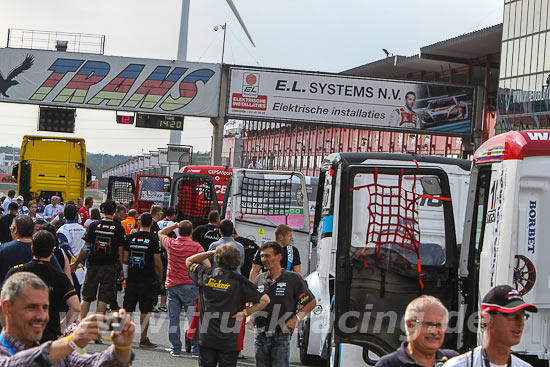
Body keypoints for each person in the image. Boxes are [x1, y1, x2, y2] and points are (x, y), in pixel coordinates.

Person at [0, 271, 135, 365]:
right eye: (31, 307)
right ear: (7, 308)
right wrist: (71, 341)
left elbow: (97, 364)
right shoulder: (51, 353)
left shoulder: (56, 354)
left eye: (45, 308)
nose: (41, 316)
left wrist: (122, 347)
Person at [186, 245, 270, 367]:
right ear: (237, 260)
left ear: (217, 258)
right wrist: (245, 313)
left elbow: (188, 261)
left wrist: (211, 252)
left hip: (206, 336)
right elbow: (265, 300)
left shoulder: (205, 274)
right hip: (229, 339)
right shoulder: (240, 281)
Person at [6, 230, 81, 342]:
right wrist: (62, 328)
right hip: (48, 334)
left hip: (20, 333)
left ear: (32, 249)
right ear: (52, 252)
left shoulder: (17, 271)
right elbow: (76, 307)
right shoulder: (59, 277)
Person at [252, 241, 316, 367]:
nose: (264, 259)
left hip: (280, 338)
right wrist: (251, 316)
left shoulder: (293, 279)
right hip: (260, 336)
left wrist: (296, 318)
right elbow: (253, 304)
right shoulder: (259, 279)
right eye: (262, 256)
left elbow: (311, 302)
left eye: (267, 256)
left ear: (279, 257)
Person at [443, 285, 538, 367]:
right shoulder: (459, 365)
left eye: (523, 316)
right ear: (487, 318)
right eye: (512, 315)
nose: (520, 322)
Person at [158, 220, 207, 358]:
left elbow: (160, 233)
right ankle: (196, 350)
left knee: (173, 318)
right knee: (193, 319)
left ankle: (176, 348)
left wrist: (174, 225)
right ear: (191, 232)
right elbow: (205, 263)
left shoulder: (171, 244)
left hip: (172, 285)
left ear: (178, 231)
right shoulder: (196, 246)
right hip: (190, 285)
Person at [72, 200, 125, 324]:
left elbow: (86, 248)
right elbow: (121, 252)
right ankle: (96, 328)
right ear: (115, 212)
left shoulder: (93, 225)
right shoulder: (118, 228)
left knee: (86, 298)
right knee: (103, 299)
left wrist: (76, 263)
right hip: (110, 267)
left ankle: (82, 326)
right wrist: (123, 269)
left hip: (93, 265)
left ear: (102, 210)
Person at [375, 295, 458, 367]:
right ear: (410, 325)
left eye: (439, 325)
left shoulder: (453, 360)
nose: (434, 331)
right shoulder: (388, 364)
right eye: (428, 324)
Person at [122, 213, 162, 348]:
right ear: (151, 223)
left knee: (128, 308)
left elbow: (125, 259)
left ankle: (125, 336)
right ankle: (143, 338)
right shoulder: (153, 239)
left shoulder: (130, 238)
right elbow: (157, 262)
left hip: (132, 277)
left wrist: (125, 275)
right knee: (145, 309)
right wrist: (160, 278)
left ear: (139, 223)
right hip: (147, 278)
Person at [0, 215, 63, 284]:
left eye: (11, 228)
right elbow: (59, 277)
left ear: (15, 230)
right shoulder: (44, 249)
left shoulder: (3, 249)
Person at [57, 204, 87, 296]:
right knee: (77, 294)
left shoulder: (62, 230)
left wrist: (74, 263)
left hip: (68, 266)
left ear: (64, 215)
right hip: (81, 265)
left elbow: (65, 248)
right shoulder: (83, 230)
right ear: (76, 215)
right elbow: (87, 248)